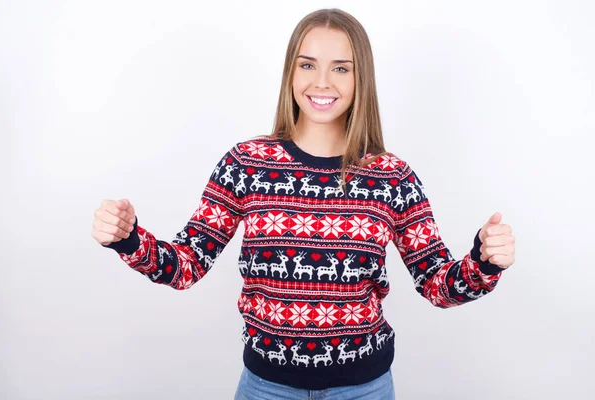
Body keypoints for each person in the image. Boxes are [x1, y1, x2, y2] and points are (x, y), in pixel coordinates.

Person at [91, 8, 516, 400]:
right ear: (291, 72)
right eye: (308, 64)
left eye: (341, 68)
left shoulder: (393, 178)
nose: (322, 82)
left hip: (363, 389)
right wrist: (129, 239)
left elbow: (438, 284)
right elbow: (186, 265)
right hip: (266, 388)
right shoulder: (246, 164)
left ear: (360, 78)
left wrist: (483, 262)